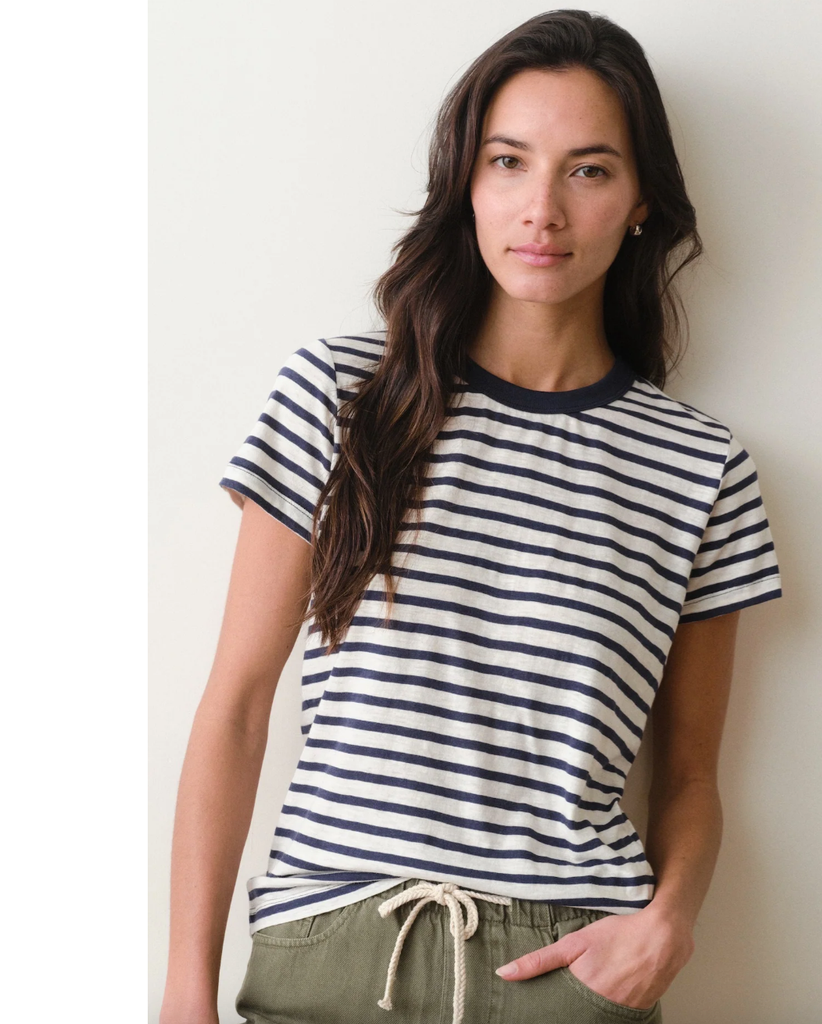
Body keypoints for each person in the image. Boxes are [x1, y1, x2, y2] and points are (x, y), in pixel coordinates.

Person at [159, 9, 782, 1024]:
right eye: (508, 162)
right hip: (331, 952)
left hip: (569, 967)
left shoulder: (701, 468)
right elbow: (234, 708)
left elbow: (690, 775)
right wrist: (184, 989)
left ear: (638, 203)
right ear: (466, 183)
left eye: (588, 170)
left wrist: (667, 923)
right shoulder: (340, 398)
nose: (542, 209)